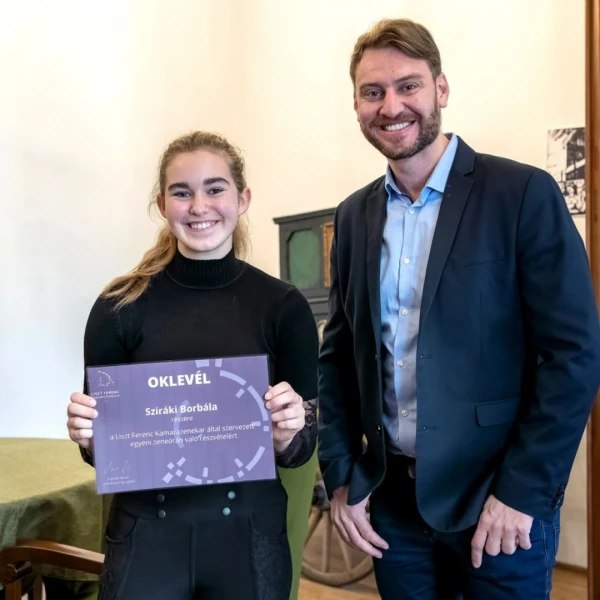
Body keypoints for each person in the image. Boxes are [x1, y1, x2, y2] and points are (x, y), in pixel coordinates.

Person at [317, 17, 600, 600]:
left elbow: (573, 355)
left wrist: (522, 492)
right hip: (393, 508)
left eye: (408, 86)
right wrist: (342, 474)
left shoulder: (521, 194)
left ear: (441, 89)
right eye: (373, 92)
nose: (391, 106)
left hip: (497, 502)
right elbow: (338, 355)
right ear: (356, 105)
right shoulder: (353, 216)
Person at [66, 131, 319, 600]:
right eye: (182, 193)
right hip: (145, 532)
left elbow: (303, 448)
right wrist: (90, 435)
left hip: (250, 536)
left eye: (215, 188)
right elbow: (105, 450)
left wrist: (288, 433)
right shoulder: (118, 307)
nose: (199, 206)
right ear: (163, 205)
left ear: (242, 198)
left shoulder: (284, 307)